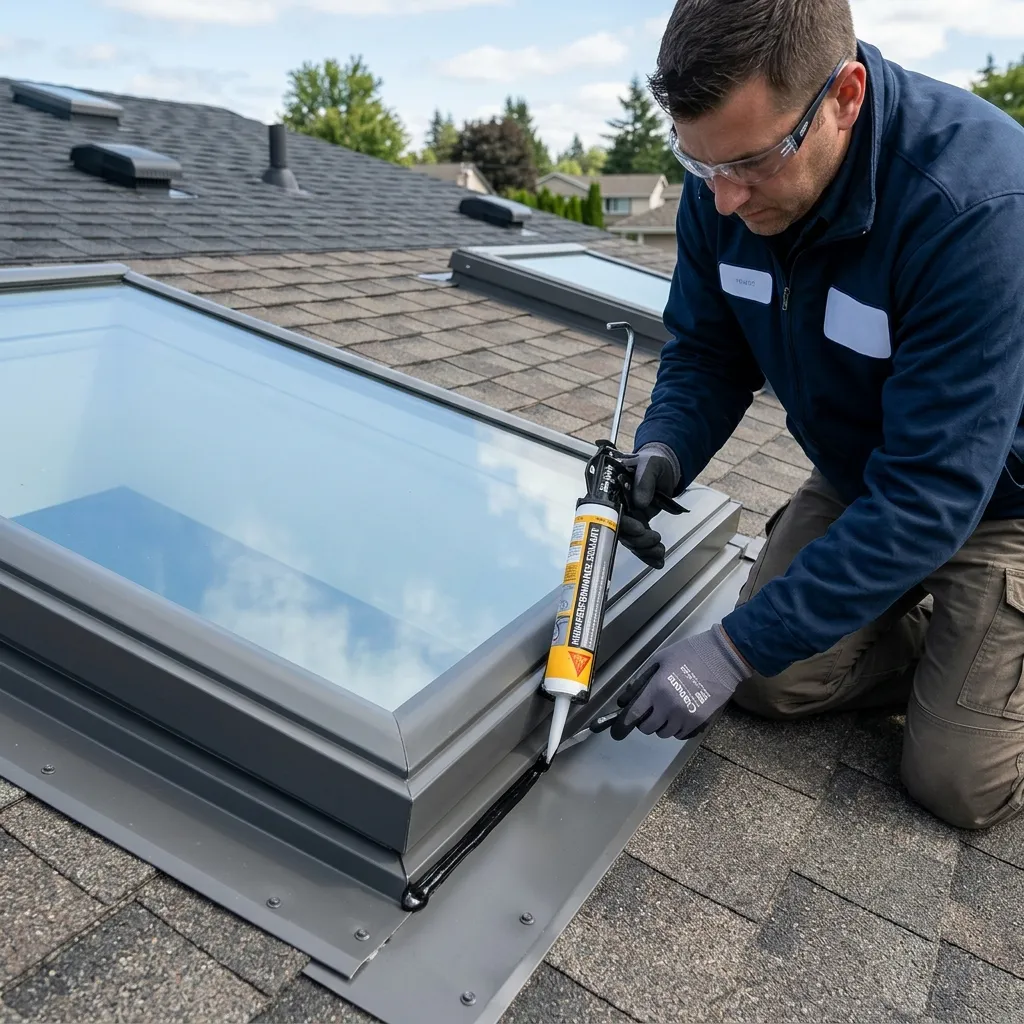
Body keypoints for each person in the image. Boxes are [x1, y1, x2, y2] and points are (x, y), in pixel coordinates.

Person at [604, 0, 1024, 831]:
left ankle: (980, 664)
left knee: (956, 781)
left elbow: (931, 492)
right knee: (769, 682)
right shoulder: (722, 179)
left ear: (846, 96)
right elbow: (707, 352)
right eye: (700, 165)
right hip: (861, 476)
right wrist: (664, 451)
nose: (724, 199)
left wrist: (729, 645)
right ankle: (948, 650)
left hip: (1001, 503)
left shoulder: (977, 209)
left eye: (753, 163)